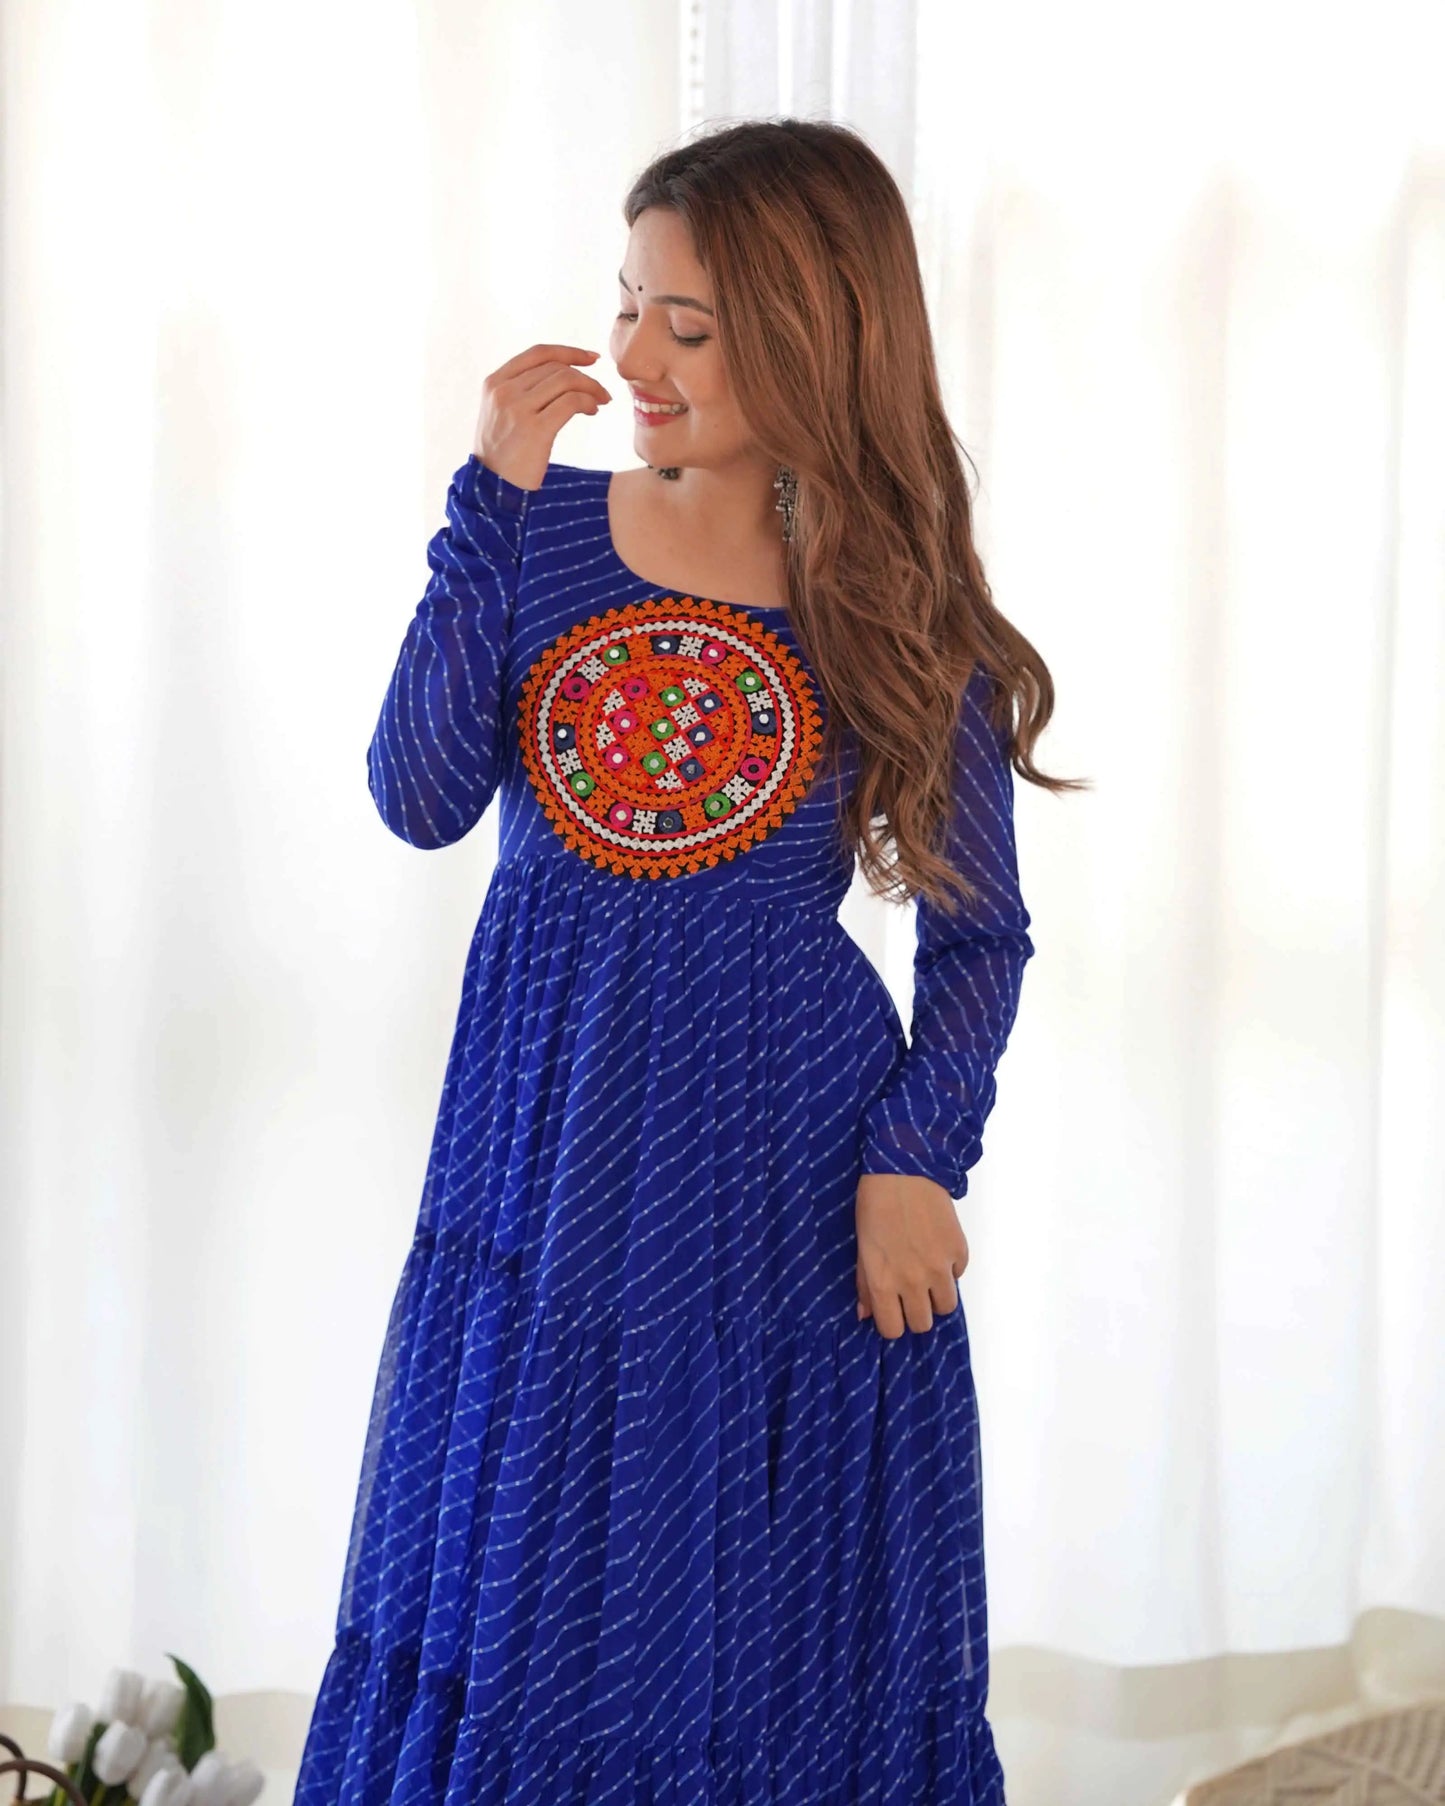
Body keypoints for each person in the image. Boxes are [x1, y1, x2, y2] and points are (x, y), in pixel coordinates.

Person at [294, 117, 1077, 1806]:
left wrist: (914, 1154)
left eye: (689, 326)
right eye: (626, 303)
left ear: (812, 339)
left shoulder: (891, 600)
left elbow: (978, 932)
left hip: (782, 1182)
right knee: (525, 1586)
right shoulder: (539, 536)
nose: (633, 357)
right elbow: (417, 796)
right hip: (544, 1159)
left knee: (764, 1624)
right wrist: (485, 505)